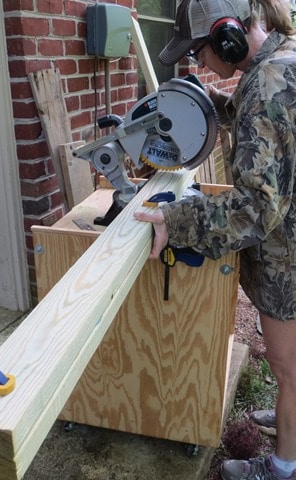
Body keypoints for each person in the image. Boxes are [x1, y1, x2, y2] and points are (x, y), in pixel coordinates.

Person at [133, 0, 296, 479]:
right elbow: (272, 133)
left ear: (228, 37)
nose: (200, 62)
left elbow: (255, 208)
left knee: (289, 368)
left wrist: (175, 220)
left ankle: (283, 465)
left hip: (287, 255)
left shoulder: (267, 84)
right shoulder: (277, 64)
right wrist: (218, 105)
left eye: (201, 51)